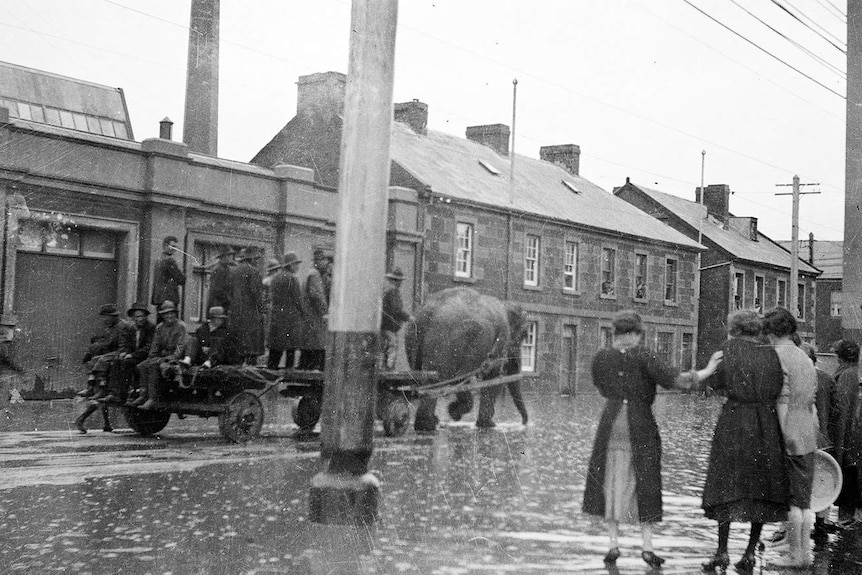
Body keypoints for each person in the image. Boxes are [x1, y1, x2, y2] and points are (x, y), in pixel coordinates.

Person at [582, 310, 722, 570]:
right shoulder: (645, 355)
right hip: (640, 422)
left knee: (611, 480)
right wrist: (708, 370)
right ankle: (647, 548)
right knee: (644, 481)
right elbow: (675, 381)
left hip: (611, 423)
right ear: (636, 333)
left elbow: (599, 386)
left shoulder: (601, 356)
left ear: (616, 333)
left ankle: (613, 544)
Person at [699, 310, 789, 573]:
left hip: (735, 422)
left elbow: (712, 384)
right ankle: (750, 551)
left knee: (726, 483)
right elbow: (777, 387)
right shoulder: (770, 352)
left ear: (734, 328)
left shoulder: (728, 349)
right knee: (761, 485)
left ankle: (722, 551)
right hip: (766, 425)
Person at [762, 306, 819, 569]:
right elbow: (812, 401)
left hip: (789, 432)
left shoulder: (776, 356)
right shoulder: (804, 356)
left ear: (771, 332)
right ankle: (804, 552)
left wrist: (782, 438)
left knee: (792, 500)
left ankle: (796, 557)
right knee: (805, 501)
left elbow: (781, 401)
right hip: (808, 429)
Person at [802, 342, 840, 541]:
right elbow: (836, 409)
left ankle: (793, 528)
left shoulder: (796, 377)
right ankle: (821, 523)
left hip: (801, 436)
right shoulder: (827, 378)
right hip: (824, 437)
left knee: (798, 478)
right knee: (824, 477)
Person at [75, 303, 129, 433]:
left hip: (117, 358)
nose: (104, 320)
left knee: (101, 388)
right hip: (110, 360)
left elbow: (120, 345)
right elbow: (107, 343)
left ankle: (82, 418)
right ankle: (91, 388)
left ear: (113, 316)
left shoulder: (122, 327)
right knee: (94, 364)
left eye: (106, 317)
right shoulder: (110, 327)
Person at [131, 301, 186, 410]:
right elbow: (155, 345)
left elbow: (181, 346)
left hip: (176, 358)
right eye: (166, 314)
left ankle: (152, 398)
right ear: (162, 316)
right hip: (162, 357)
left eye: (171, 313)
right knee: (142, 365)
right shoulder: (160, 327)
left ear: (175, 314)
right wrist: (151, 358)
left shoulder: (180, 327)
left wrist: (172, 358)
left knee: (153, 366)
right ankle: (143, 395)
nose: (169, 316)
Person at [830, 339, 861, 525]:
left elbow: (842, 409)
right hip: (853, 435)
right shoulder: (853, 373)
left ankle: (848, 518)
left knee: (849, 475)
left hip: (849, 437)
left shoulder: (847, 375)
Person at [100, 301, 155, 405]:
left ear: (146, 317)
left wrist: (132, 355)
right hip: (134, 355)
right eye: (137, 316)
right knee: (117, 360)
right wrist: (125, 352)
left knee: (127, 363)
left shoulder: (151, 328)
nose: (140, 319)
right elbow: (129, 345)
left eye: (142, 316)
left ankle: (122, 396)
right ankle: (113, 393)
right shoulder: (132, 328)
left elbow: (149, 347)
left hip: (145, 356)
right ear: (133, 318)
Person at [267, 252, 304, 370]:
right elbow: (298, 301)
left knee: (275, 352)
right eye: (296, 264)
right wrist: (304, 314)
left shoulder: (275, 278)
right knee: (290, 351)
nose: (298, 267)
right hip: (290, 320)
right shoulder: (293, 279)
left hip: (277, 318)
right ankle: (288, 376)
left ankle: (269, 378)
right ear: (291, 265)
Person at [230, 247, 266, 364]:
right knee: (252, 351)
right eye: (257, 259)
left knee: (238, 349)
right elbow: (257, 294)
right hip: (251, 316)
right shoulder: (254, 272)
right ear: (253, 259)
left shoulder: (233, 271)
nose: (258, 262)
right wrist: (262, 310)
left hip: (235, 315)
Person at [299, 249, 329, 371]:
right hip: (314, 317)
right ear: (318, 262)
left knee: (309, 346)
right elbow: (316, 296)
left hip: (309, 316)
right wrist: (325, 312)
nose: (326, 264)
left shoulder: (310, 273)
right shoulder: (315, 275)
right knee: (317, 345)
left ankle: (305, 368)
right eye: (324, 261)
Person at [381, 267, 411, 371]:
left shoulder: (387, 291)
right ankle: (389, 369)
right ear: (395, 281)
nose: (400, 283)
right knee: (392, 347)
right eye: (399, 281)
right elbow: (397, 309)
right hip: (390, 327)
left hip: (386, 326)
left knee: (387, 347)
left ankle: (386, 367)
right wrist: (409, 317)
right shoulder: (393, 292)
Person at [151, 236, 186, 320]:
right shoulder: (169, 260)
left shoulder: (158, 260)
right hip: (169, 300)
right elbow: (181, 280)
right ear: (166, 246)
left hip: (160, 300)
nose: (175, 249)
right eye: (173, 246)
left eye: (176, 247)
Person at [206, 246, 235, 313]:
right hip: (218, 304)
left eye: (231, 255)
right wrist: (229, 301)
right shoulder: (219, 269)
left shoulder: (226, 269)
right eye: (229, 255)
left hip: (223, 304)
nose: (231, 257)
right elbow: (217, 289)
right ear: (223, 257)